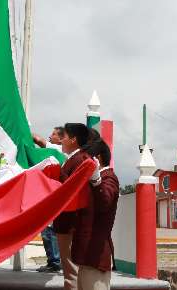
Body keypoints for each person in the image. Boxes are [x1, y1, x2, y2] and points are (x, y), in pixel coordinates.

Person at [72, 133, 119, 290]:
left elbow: (104, 202)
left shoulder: (109, 178)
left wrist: (96, 181)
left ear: (97, 158)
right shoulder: (93, 180)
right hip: (87, 256)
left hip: (96, 257)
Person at [54, 123, 92, 290]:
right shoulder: (74, 159)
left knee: (71, 274)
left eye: (64, 137)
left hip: (71, 225)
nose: (61, 140)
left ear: (73, 140)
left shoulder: (79, 160)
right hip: (68, 224)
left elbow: (72, 192)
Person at [34, 127, 66, 273]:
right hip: (56, 195)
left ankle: (54, 262)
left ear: (61, 139)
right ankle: (55, 261)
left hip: (56, 196)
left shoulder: (58, 149)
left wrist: (22, 128)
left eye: (53, 134)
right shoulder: (64, 152)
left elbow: (39, 141)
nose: (49, 136)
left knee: (48, 230)